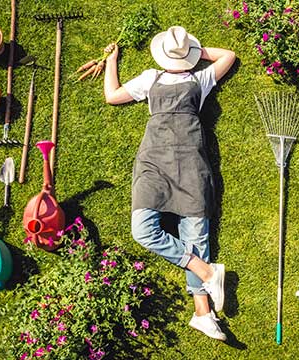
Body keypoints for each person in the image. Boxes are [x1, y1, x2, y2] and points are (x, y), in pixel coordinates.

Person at [104, 26, 235, 341]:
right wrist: (112, 60)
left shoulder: (199, 80)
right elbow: (112, 96)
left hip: (191, 162)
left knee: (196, 236)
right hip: (154, 163)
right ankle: (206, 272)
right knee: (143, 231)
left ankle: (203, 313)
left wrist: (191, 54)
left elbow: (229, 56)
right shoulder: (151, 78)